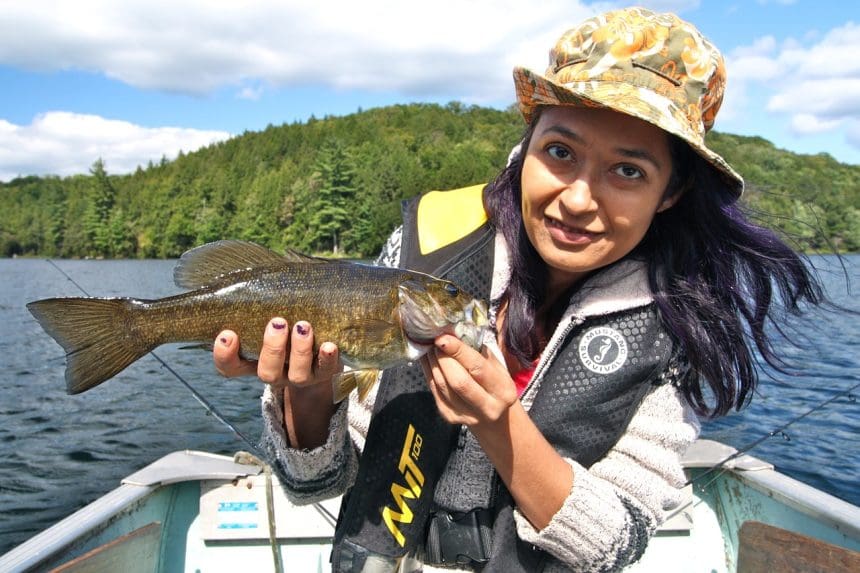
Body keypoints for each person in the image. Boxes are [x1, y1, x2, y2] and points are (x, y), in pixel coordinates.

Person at [213, 7, 824, 572]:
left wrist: (500, 424)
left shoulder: (681, 327)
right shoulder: (427, 253)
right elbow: (312, 483)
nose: (579, 199)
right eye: (560, 151)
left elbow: (614, 543)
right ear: (526, 147)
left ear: (671, 192)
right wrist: (308, 400)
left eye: (628, 171)